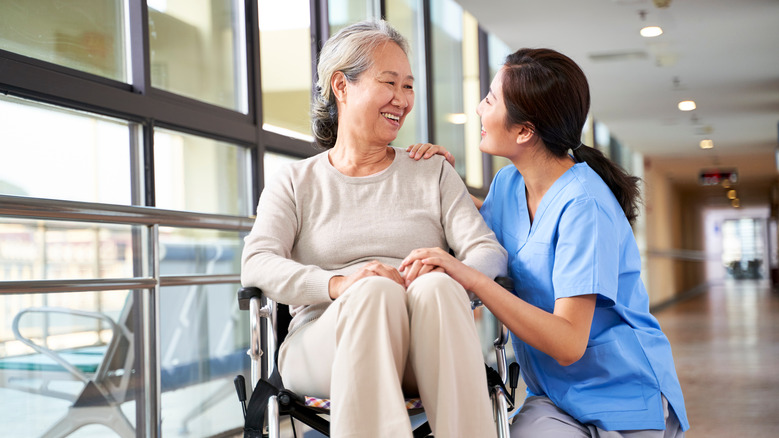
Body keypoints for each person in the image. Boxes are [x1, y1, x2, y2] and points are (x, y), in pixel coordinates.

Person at [401, 48, 689, 437]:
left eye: (490, 99)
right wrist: (440, 179)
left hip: (624, 398)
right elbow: (477, 232)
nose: (479, 109)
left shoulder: (585, 205)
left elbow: (569, 341)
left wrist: (473, 280)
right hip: (558, 397)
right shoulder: (508, 185)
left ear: (524, 131)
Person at [240, 20, 507, 438]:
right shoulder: (295, 181)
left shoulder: (432, 170)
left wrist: (449, 272)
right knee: (374, 290)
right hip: (324, 345)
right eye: (390, 83)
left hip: (426, 345)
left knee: (437, 287)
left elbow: (487, 252)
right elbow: (257, 264)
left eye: (409, 86)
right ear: (341, 87)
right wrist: (341, 284)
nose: (402, 100)